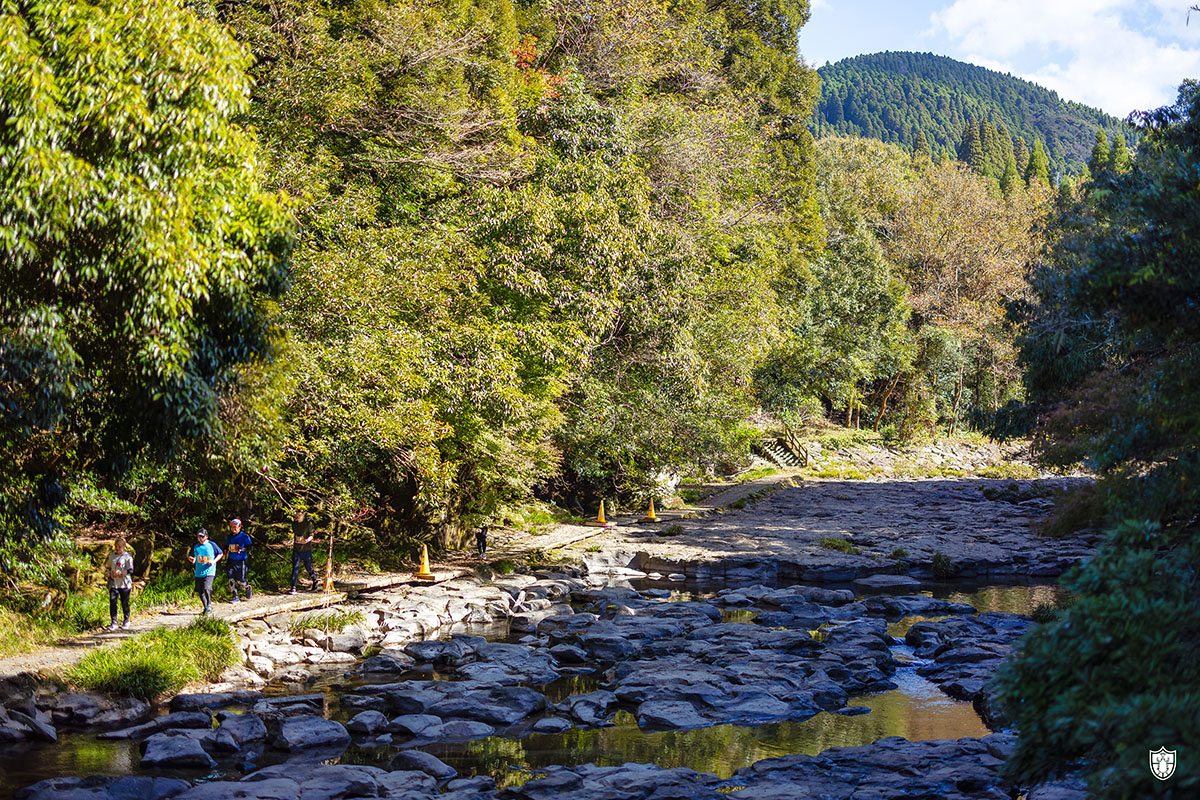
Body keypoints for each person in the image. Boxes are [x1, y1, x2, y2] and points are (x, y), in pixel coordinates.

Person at [188, 528, 223, 615]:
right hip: (199, 572)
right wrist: (192, 559)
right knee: (200, 591)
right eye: (198, 537)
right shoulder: (196, 546)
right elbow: (190, 556)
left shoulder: (212, 545)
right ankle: (206, 607)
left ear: (206, 536)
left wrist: (214, 561)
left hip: (209, 571)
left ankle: (209, 605)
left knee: (207, 588)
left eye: (202, 536)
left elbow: (220, 553)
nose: (200, 538)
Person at [106, 536, 135, 631]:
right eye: (116, 546)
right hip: (114, 583)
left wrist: (121, 573)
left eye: (119, 546)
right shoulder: (111, 556)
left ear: (124, 546)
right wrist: (108, 573)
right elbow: (108, 567)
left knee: (124, 602)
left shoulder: (127, 557)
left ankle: (126, 620)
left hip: (124, 584)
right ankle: (113, 622)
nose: (117, 548)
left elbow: (130, 570)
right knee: (113, 601)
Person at [290, 511, 318, 594]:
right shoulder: (294, 524)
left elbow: (311, 535)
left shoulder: (308, 524)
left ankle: (314, 580)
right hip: (296, 549)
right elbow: (294, 534)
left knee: (308, 567)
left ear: (303, 515)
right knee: (295, 567)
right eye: (296, 514)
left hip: (306, 550)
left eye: (299, 515)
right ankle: (293, 587)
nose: (297, 516)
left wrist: (306, 541)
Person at [225, 517, 253, 602]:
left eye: (235, 527)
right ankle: (235, 596)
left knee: (240, 581)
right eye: (232, 527)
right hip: (231, 560)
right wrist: (225, 551)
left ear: (239, 527)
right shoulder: (229, 537)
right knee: (230, 579)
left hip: (241, 561)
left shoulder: (244, 536)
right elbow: (226, 546)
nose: (233, 529)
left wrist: (242, 549)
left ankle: (247, 587)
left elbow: (250, 548)